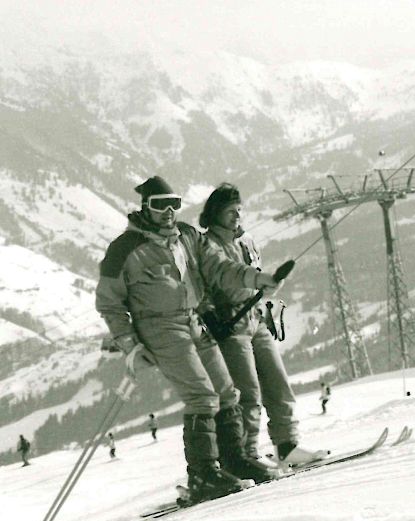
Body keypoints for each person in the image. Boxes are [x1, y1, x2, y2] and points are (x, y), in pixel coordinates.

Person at [95, 175, 282, 504]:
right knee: (202, 396)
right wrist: (130, 345)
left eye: (174, 204)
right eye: (160, 205)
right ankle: (203, 475)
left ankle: (234, 461)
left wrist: (256, 278)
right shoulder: (125, 249)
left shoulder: (187, 236)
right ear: (145, 208)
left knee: (228, 393)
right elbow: (110, 304)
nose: (168, 211)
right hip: (160, 327)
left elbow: (219, 267)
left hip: (194, 319)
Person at [198, 183, 326, 468]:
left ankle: (287, 444)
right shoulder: (208, 245)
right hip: (230, 323)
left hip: (255, 317)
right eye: (230, 211)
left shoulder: (246, 241)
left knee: (277, 383)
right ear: (215, 213)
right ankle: (246, 452)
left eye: (239, 210)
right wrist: (256, 282)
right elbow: (226, 273)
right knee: (247, 392)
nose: (237, 216)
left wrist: (268, 290)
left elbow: (255, 278)